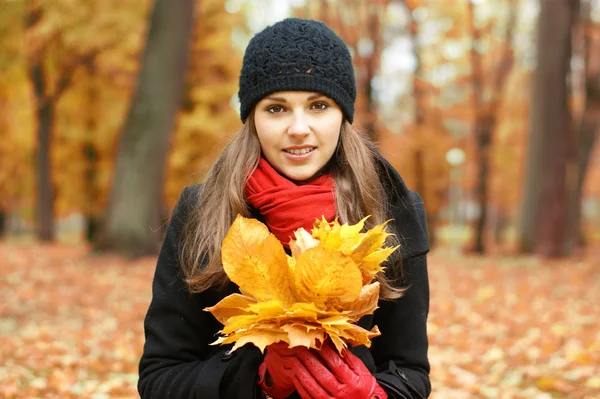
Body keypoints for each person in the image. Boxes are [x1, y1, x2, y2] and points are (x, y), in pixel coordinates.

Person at [138, 17, 431, 399]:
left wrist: (374, 395)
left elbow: (411, 372)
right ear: (252, 119)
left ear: (342, 116)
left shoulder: (390, 210)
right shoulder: (203, 211)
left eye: (318, 106)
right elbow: (159, 379)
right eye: (277, 109)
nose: (298, 127)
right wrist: (257, 378)